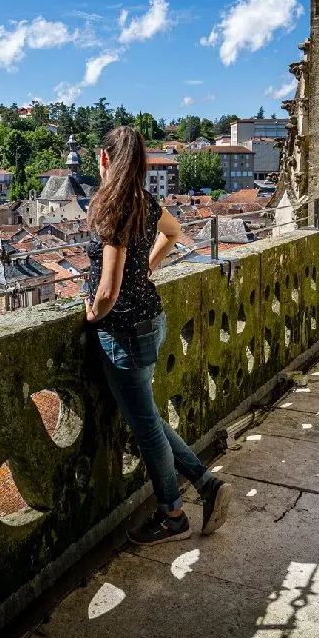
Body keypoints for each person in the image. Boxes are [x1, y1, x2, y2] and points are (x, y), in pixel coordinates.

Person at [84, 126, 232, 545]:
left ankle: (172, 515)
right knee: (147, 416)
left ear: (105, 159)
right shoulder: (145, 202)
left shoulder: (114, 208)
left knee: (146, 427)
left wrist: (93, 312)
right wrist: (146, 268)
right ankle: (206, 484)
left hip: (123, 331)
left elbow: (108, 290)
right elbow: (173, 232)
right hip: (152, 320)